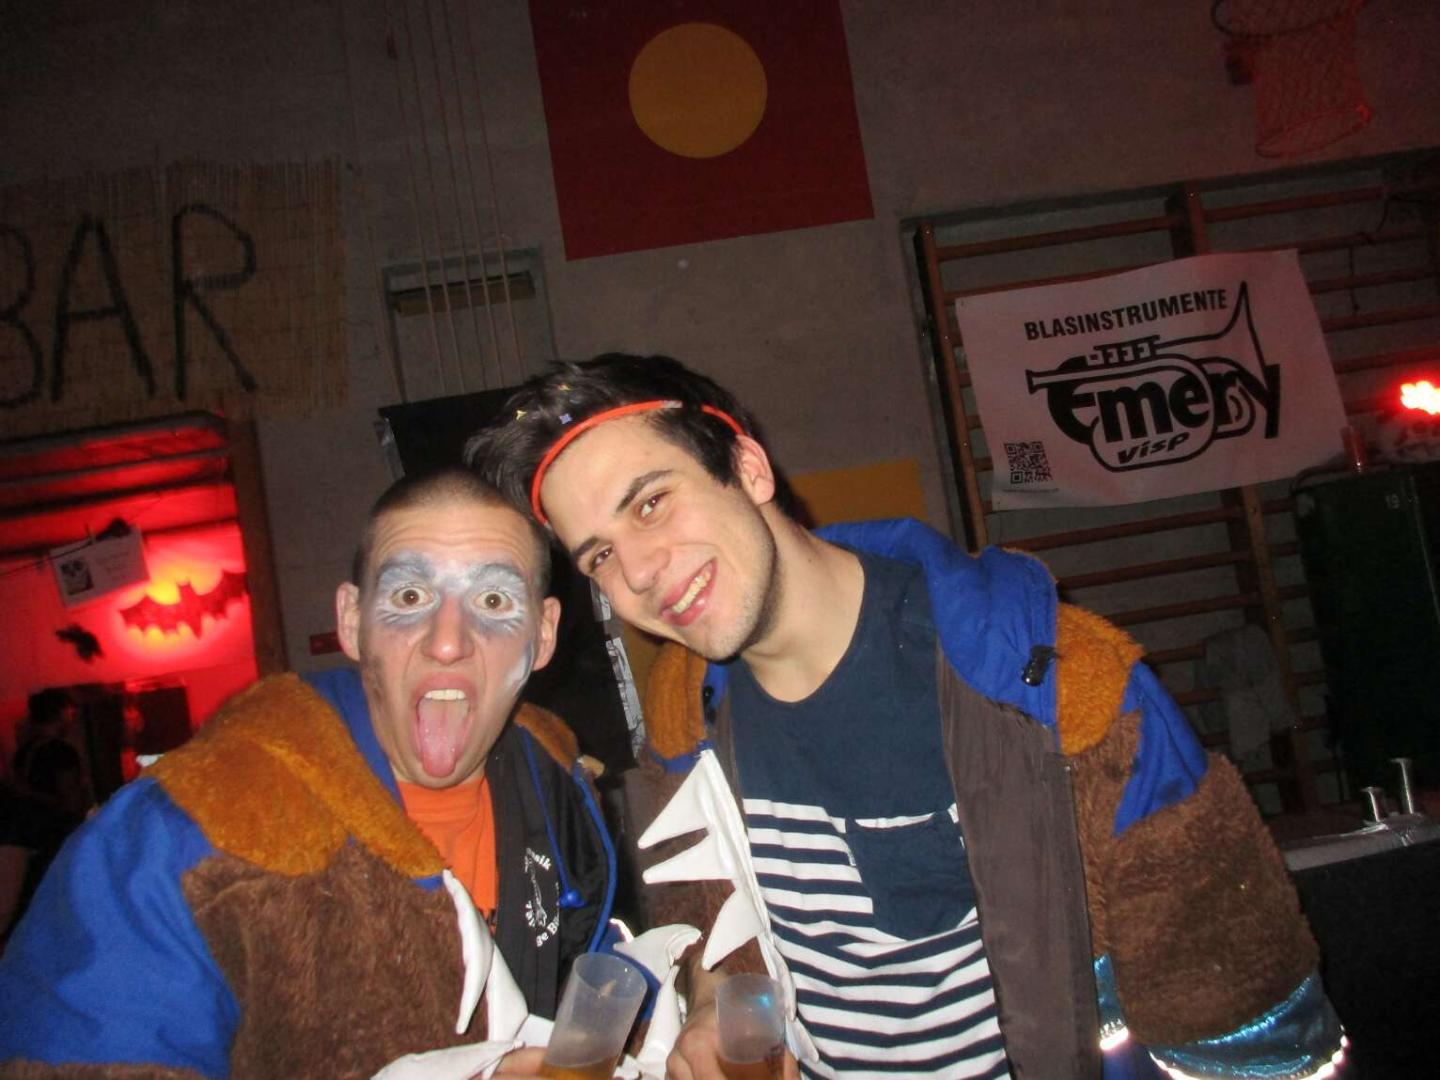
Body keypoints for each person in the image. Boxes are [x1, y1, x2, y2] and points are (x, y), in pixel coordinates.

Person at [466, 355, 1346, 1080]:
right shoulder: (681, 735)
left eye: (652, 502)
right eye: (601, 555)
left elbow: (1247, 1024)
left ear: (748, 468)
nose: (640, 573)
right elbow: (721, 947)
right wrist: (711, 1008)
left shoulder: (1056, 689)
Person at [0, 469, 615, 1078]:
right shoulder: (181, 838)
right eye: (409, 597)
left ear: (542, 635)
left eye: (494, 601)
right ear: (351, 621)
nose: (448, 642)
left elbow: (587, 968)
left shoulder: (558, 785)